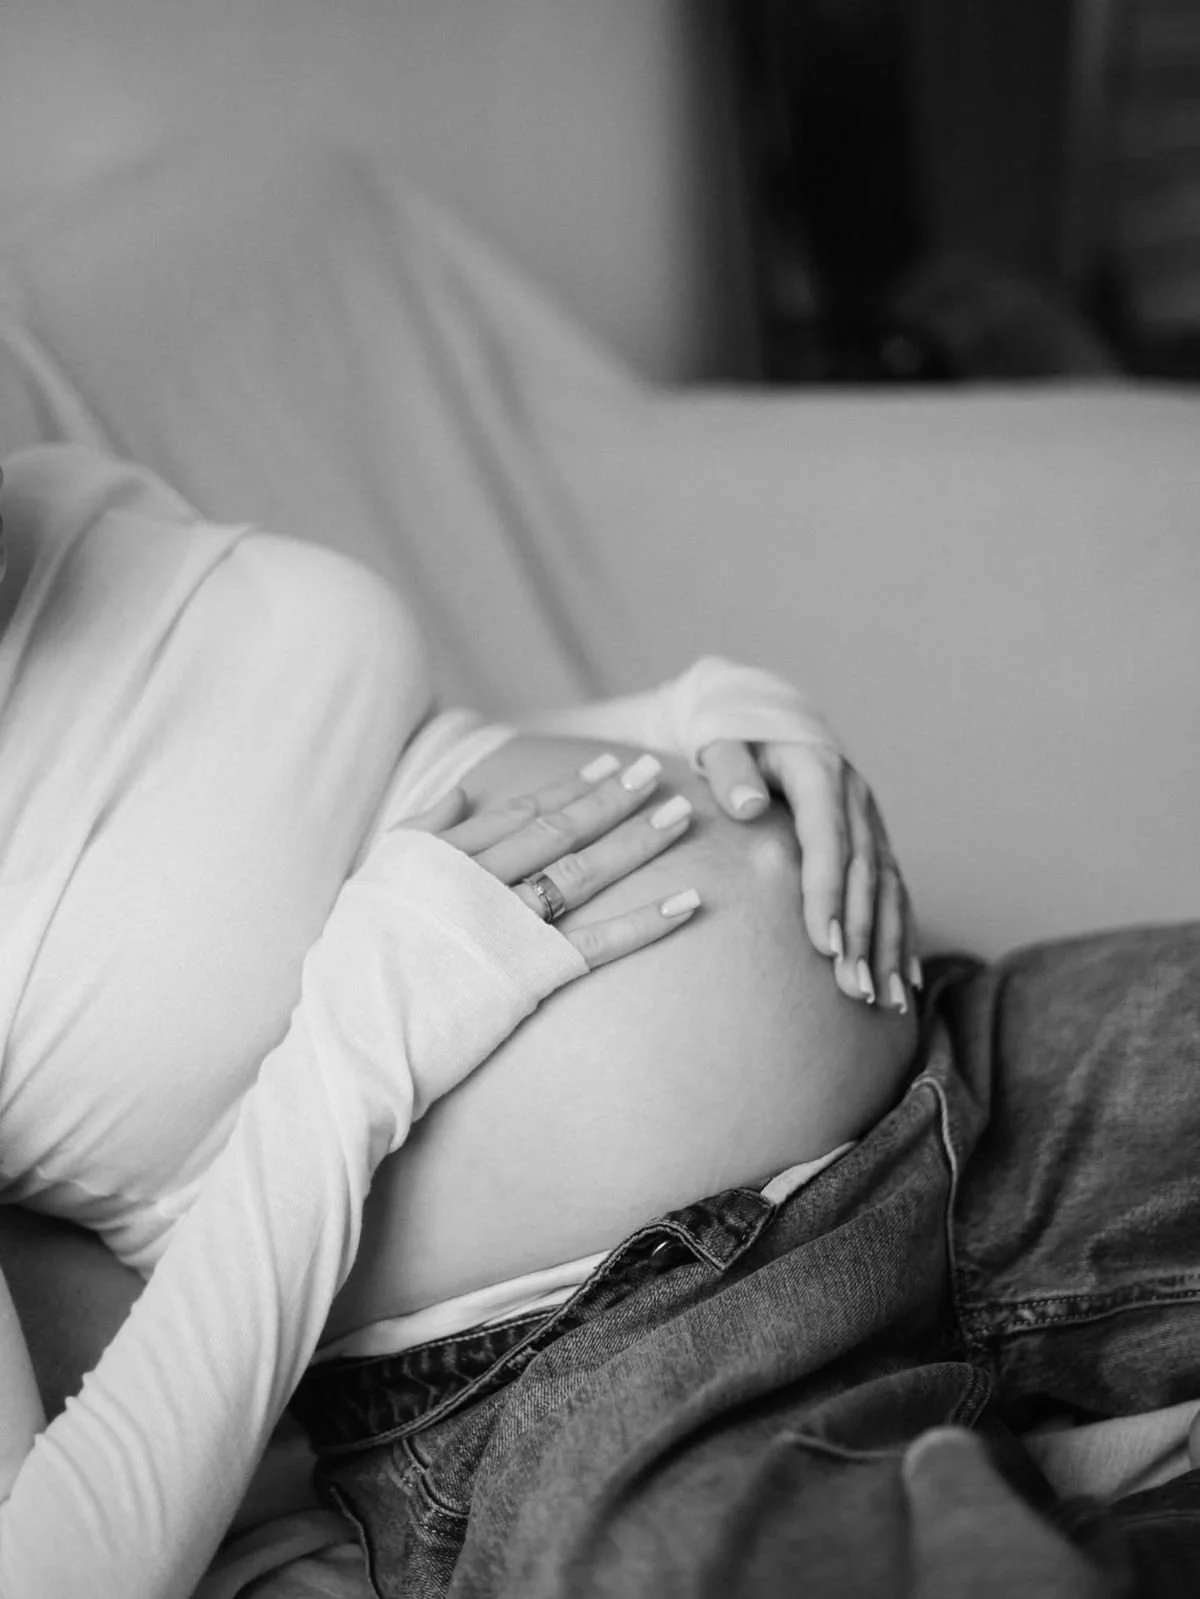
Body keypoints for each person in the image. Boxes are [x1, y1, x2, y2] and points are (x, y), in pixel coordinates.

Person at [0, 440, 919, 1598]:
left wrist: (687, 720)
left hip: (944, 1082)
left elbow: (313, 793)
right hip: (587, 1360)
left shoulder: (54, 495)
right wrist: (350, 1057)